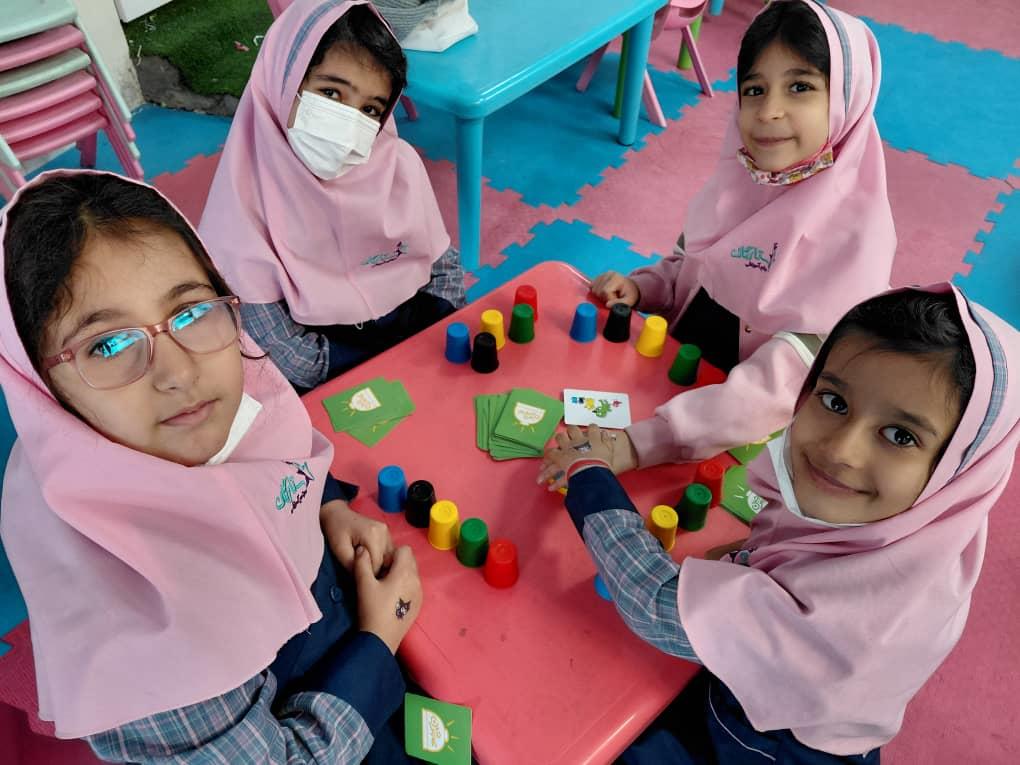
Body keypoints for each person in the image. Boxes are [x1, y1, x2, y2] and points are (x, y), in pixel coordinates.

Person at [0, 171, 423, 762]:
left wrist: (326, 508)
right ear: (41, 390)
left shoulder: (218, 401)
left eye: (192, 310)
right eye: (109, 345)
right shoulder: (135, 641)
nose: (179, 372)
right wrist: (377, 643)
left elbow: (266, 444)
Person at [539, 285, 1019, 763]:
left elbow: (651, 602)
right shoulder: (938, 524)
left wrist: (588, 476)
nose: (841, 450)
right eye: (834, 401)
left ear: (961, 467)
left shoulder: (833, 623)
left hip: (766, 744)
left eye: (900, 435)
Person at [577, 0, 895, 488]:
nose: (769, 111)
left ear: (847, 100)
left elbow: (768, 394)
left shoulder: (853, 251)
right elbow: (690, 266)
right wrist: (644, 288)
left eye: (800, 87)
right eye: (754, 89)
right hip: (668, 388)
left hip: (730, 446)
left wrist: (642, 442)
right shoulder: (741, 184)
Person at [199, 0, 464, 391]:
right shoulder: (238, 209)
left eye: (371, 110)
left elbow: (445, 269)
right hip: (332, 368)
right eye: (331, 93)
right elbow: (285, 353)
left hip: (419, 336)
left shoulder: (399, 166)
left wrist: (434, 333)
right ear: (281, 82)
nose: (349, 123)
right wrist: (383, 368)